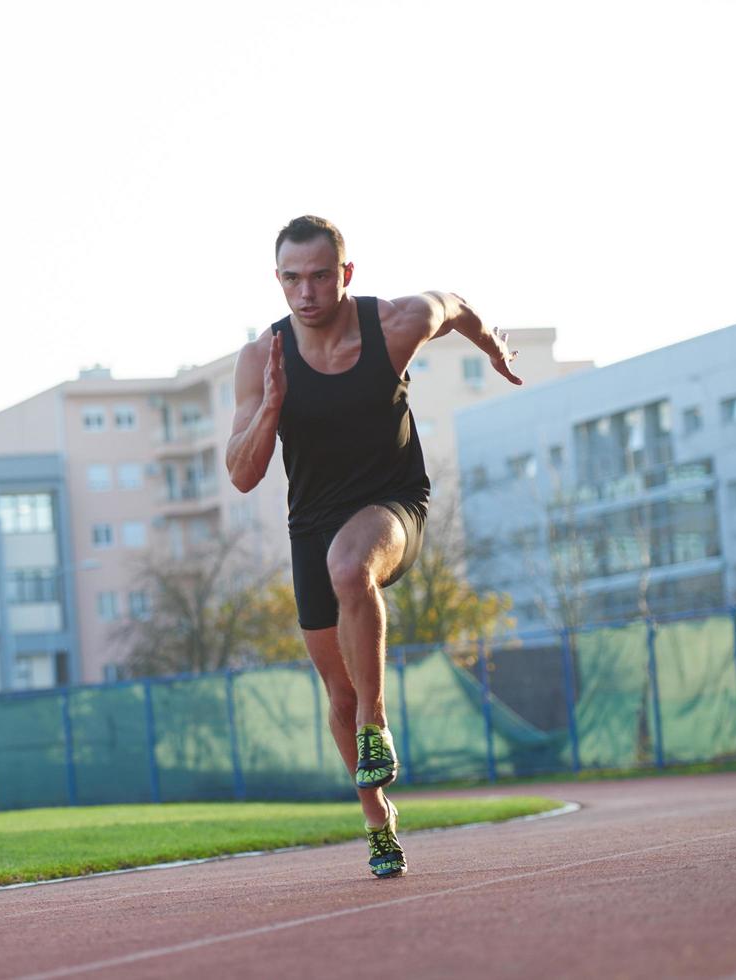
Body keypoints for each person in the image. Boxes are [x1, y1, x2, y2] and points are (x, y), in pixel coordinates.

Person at [225, 215, 522, 877]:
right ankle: (377, 818)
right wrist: (271, 408)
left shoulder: (393, 325)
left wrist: (493, 349)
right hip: (311, 522)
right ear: (278, 280)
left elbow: (457, 307)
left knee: (351, 568)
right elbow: (242, 475)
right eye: (292, 278)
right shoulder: (261, 360)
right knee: (336, 693)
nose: (307, 291)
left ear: (345, 274)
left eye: (321, 275)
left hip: (392, 505)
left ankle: (376, 720)